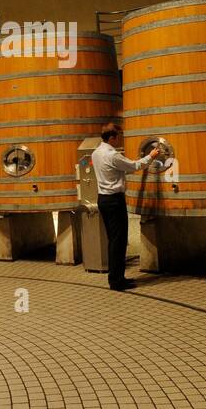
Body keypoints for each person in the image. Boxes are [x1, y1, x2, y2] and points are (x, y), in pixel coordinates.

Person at [91, 122, 160, 291]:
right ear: (112, 138)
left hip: (103, 199)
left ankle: (117, 277)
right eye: (118, 137)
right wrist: (151, 155)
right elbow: (135, 166)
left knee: (113, 240)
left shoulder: (96, 152)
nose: (119, 140)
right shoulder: (112, 155)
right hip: (114, 201)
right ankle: (116, 281)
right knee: (118, 241)